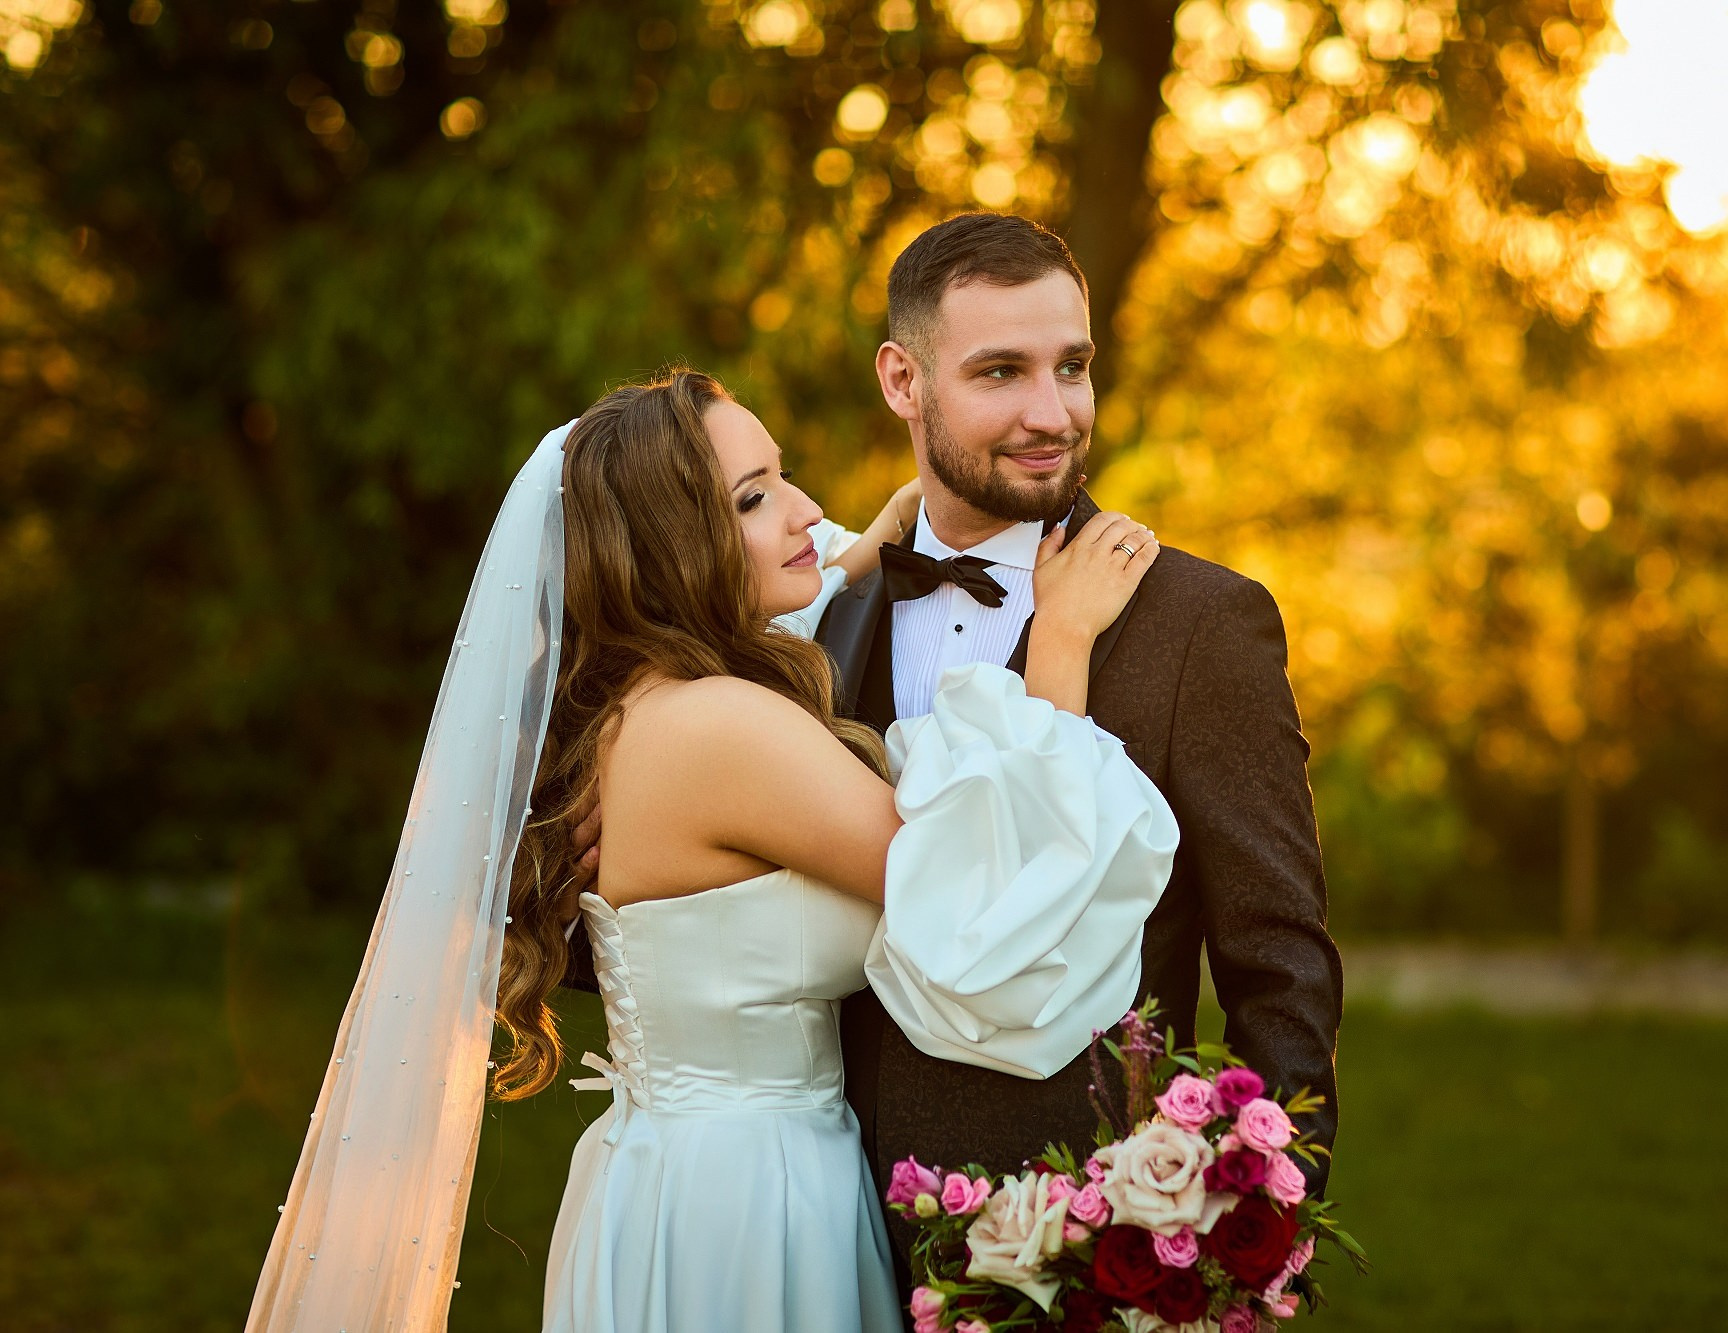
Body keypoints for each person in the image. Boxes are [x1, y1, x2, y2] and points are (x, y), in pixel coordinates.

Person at [247, 369, 1179, 1333]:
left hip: (678, 1176)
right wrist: (1059, 643)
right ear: (668, 547)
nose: (806, 512)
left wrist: (858, 564)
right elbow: (984, 889)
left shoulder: (638, 706)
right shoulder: (718, 729)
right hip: (748, 1202)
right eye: (755, 497)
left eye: (782, 477)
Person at [813, 213, 1346, 1282]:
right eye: (1000, 371)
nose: (1049, 413)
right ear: (900, 380)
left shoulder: (1201, 623)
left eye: (1072, 366)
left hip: (1084, 1243)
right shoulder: (826, 610)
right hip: (824, 1219)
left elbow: (1277, 956)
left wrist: (1239, 1224)